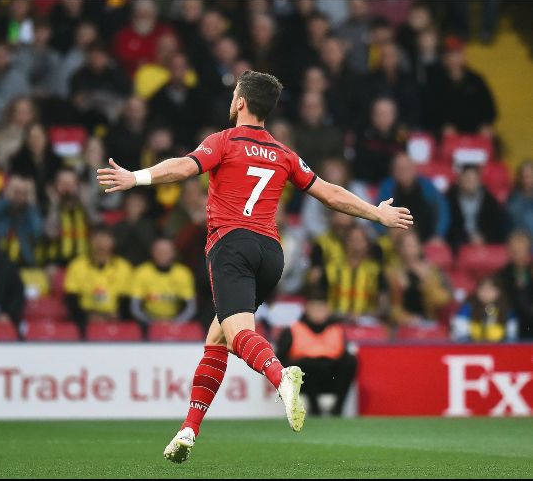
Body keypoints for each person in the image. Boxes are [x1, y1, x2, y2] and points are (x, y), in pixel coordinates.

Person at [97, 70, 412, 461]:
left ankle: (282, 377)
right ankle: (187, 432)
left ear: (240, 102)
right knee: (218, 338)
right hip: (270, 253)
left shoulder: (224, 141)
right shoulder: (283, 153)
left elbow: (184, 166)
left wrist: (137, 177)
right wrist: (375, 215)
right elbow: (329, 193)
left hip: (232, 246)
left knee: (238, 333)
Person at [276, 287, 357, 417]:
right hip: (304, 381)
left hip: (330, 378)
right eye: (315, 308)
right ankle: (315, 409)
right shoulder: (292, 330)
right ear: (307, 309)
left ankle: (337, 409)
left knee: (351, 361)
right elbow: (280, 359)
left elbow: (344, 356)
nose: (318, 312)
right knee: (303, 366)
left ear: (328, 310)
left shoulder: (336, 329)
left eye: (322, 308)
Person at [64, 227, 133, 334]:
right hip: (86, 320)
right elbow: (71, 297)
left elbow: (127, 299)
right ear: (91, 242)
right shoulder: (77, 266)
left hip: (115, 320)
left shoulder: (124, 267)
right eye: (98, 240)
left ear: (112, 242)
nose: (101, 245)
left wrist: (118, 315)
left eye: (105, 240)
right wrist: (86, 316)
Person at [386, 230, 452, 325]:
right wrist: (408, 319)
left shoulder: (433, 271)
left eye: (413, 245)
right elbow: (392, 308)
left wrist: (427, 281)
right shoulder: (392, 273)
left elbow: (443, 301)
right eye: (406, 245)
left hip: (429, 322)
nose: (410, 249)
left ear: (420, 247)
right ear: (399, 249)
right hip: (402, 326)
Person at [130, 238, 196, 326]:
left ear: (173, 254)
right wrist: (152, 323)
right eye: (159, 251)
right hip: (148, 322)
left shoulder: (183, 273)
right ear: (152, 253)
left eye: (166, 251)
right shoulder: (142, 272)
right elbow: (135, 308)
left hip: (176, 321)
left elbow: (191, 307)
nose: (163, 255)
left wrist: (175, 323)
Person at [446, 165, 509, 250]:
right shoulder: (450, 200)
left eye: (474, 179)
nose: (471, 183)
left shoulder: (490, 201)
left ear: (480, 181)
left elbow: (497, 228)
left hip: (486, 243)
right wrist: (468, 238)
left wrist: (484, 238)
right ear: (459, 180)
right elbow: (449, 227)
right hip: (458, 244)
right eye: (467, 179)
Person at [452, 276, 518, 343]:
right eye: (482, 289)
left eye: (490, 289)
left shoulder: (506, 311)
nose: (486, 292)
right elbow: (461, 334)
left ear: (498, 291)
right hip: (473, 348)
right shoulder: (468, 308)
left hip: (500, 349)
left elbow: (511, 337)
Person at [495, 232, 533, 339]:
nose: (519, 255)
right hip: (510, 326)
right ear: (509, 252)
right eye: (515, 251)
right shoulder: (501, 276)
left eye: (522, 250)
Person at [507, 160, 533, 238]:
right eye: (523, 177)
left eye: (528, 177)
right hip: (519, 243)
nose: (526, 180)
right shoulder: (513, 201)